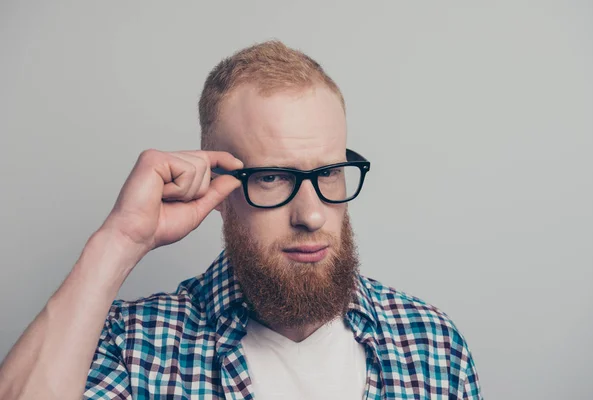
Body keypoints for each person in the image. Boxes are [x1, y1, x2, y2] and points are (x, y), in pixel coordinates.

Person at [0, 40, 482, 400]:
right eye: (272, 177)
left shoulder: (432, 343)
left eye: (330, 172)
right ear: (219, 189)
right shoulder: (133, 348)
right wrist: (117, 241)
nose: (312, 214)